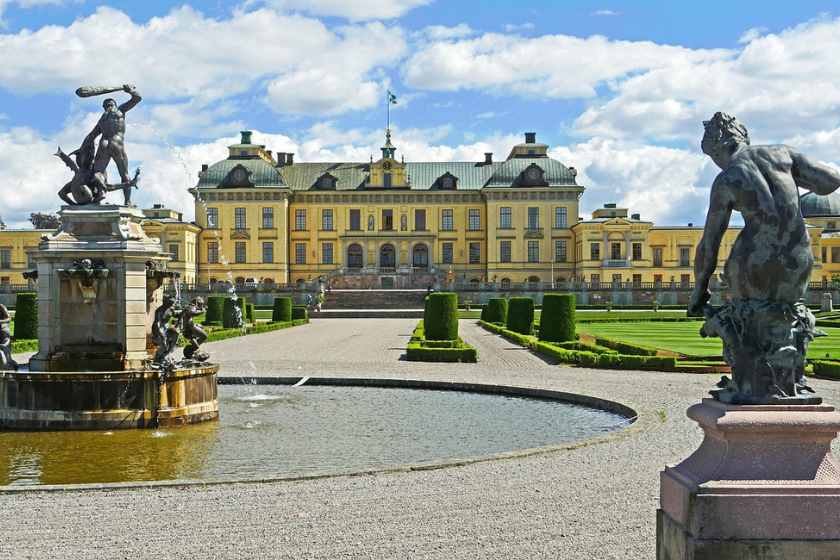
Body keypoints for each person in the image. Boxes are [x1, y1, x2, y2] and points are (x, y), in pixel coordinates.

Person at [688, 112, 840, 403]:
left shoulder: (726, 179)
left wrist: (699, 290)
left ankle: (749, 385)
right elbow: (830, 181)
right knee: (786, 316)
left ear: (718, 148)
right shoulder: (783, 153)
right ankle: (789, 384)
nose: (716, 163)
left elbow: (709, 244)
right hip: (797, 259)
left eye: (713, 156)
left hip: (752, 261)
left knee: (747, 317)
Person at [81, 84, 142, 206]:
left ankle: (101, 193)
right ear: (114, 104)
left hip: (103, 143)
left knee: (98, 173)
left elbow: (91, 136)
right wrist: (131, 91)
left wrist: (82, 149)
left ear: (104, 107)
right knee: (124, 173)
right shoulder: (120, 111)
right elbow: (137, 98)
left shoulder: (102, 120)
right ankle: (127, 201)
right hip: (116, 143)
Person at [151, 296, 180, 366]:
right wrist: (160, 333)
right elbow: (157, 323)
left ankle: (168, 353)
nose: (170, 305)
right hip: (157, 328)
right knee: (163, 345)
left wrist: (184, 313)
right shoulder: (159, 310)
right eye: (169, 303)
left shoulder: (171, 309)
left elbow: (176, 315)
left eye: (171, 304)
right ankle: (157, 359)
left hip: (166, 326)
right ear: (165, 302)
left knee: (176, 333)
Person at [179, 297, 208, 361]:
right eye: (200, 304)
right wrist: (202, 311)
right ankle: (193, 349)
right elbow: (192, 313)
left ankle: (193, 346)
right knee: (204, 336)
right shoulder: (193, 307)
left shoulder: (188, 307)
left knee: (201, 326)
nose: (200, 306)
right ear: (196, 302)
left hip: (186, 327)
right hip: (190, 327)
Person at [0, 303, 18, 371]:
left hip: (2, 331)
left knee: (4, 350)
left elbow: (9, 318)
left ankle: (11, 364)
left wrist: (1, 321)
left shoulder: (1, 307)